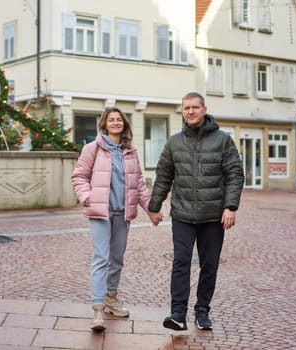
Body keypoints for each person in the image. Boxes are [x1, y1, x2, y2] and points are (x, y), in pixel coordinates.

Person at [148, 92, 244, 331]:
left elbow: (235, 174)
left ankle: (202, 311)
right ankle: (178, 313)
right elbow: (163, 177)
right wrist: (154, 207)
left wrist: (230, 207)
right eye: (186, 108)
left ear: (204, 110)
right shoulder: (174, 142)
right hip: (182, 215)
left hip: (213, 216)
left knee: (209, 264)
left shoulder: (223, 140)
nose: (190, 112)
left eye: (194, 107)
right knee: (180, 262)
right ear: (182, 111)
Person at [71, 107, 162, 332]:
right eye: (111, 120)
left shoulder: (130, 152)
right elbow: (79, 177)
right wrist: (87, 198)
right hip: (100, 213)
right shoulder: (92, 148)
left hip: (123, 214)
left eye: (119, 120)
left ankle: (111, 298)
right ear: (104, 124)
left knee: (117, 259)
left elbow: (139, 184)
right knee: (101, 259)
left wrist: (151, 210)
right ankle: (98, 310)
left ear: (124, 124)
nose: (115, 123)